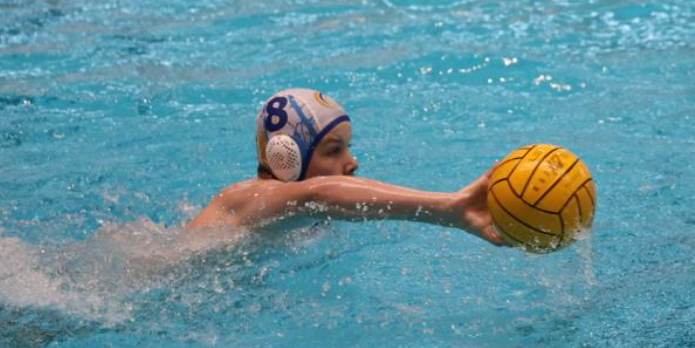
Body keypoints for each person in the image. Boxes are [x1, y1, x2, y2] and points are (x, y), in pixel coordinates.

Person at [187, 88, 505, 246]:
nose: (352, 162)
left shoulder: (281, 215)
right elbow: (319, 194)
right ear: (287, 158)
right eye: (334, 150)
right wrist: (449, 207)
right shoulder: (248, 196)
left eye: (348, 147)